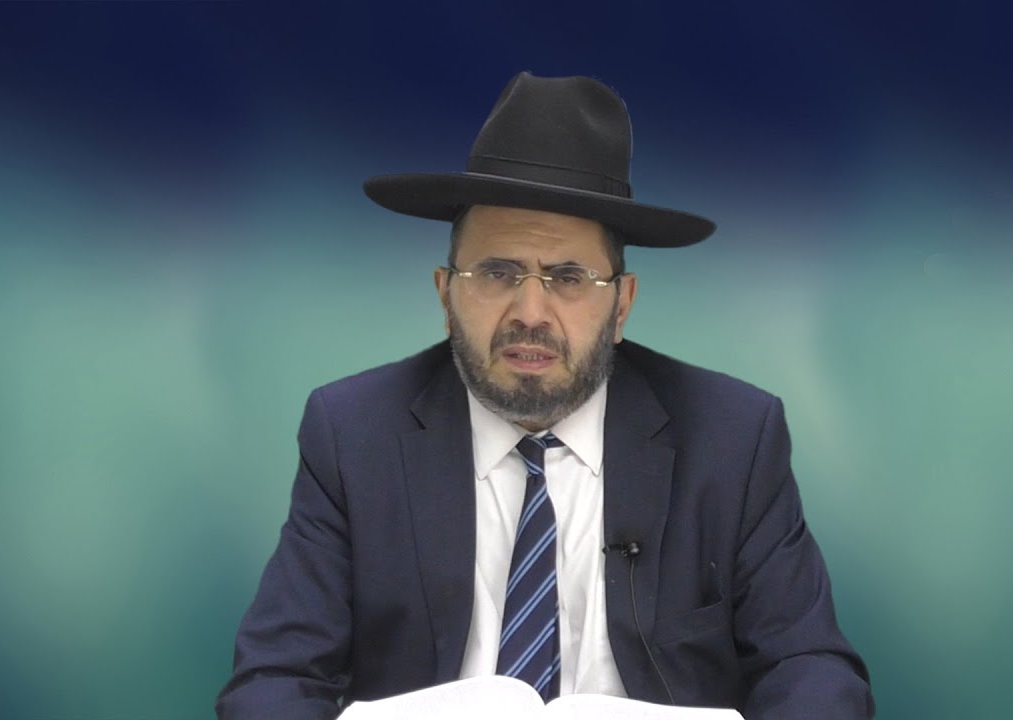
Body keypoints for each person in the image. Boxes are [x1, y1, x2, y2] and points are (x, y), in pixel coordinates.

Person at [216, 72, 874, 720]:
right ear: (446, 295)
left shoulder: (731, 438)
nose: (530, 312)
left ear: (622, 305)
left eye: (568, 277)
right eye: (497, 273)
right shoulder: (355, 434)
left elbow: (810, 670)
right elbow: (275, 681)